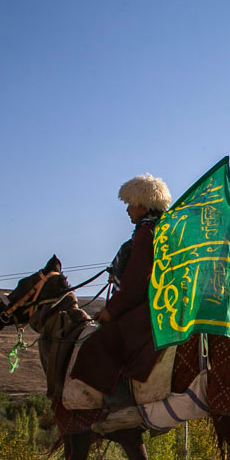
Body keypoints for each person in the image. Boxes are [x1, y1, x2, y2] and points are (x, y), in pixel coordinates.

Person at [70, 174, 172, 419]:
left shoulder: (146, 234)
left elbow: (137, 282)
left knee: (98, 343)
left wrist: (111, 310)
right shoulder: (163, 231)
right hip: (166, 302)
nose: (127, 210)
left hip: (148, 306)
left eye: (131, 204)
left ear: (144, 204)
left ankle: (122, 407)